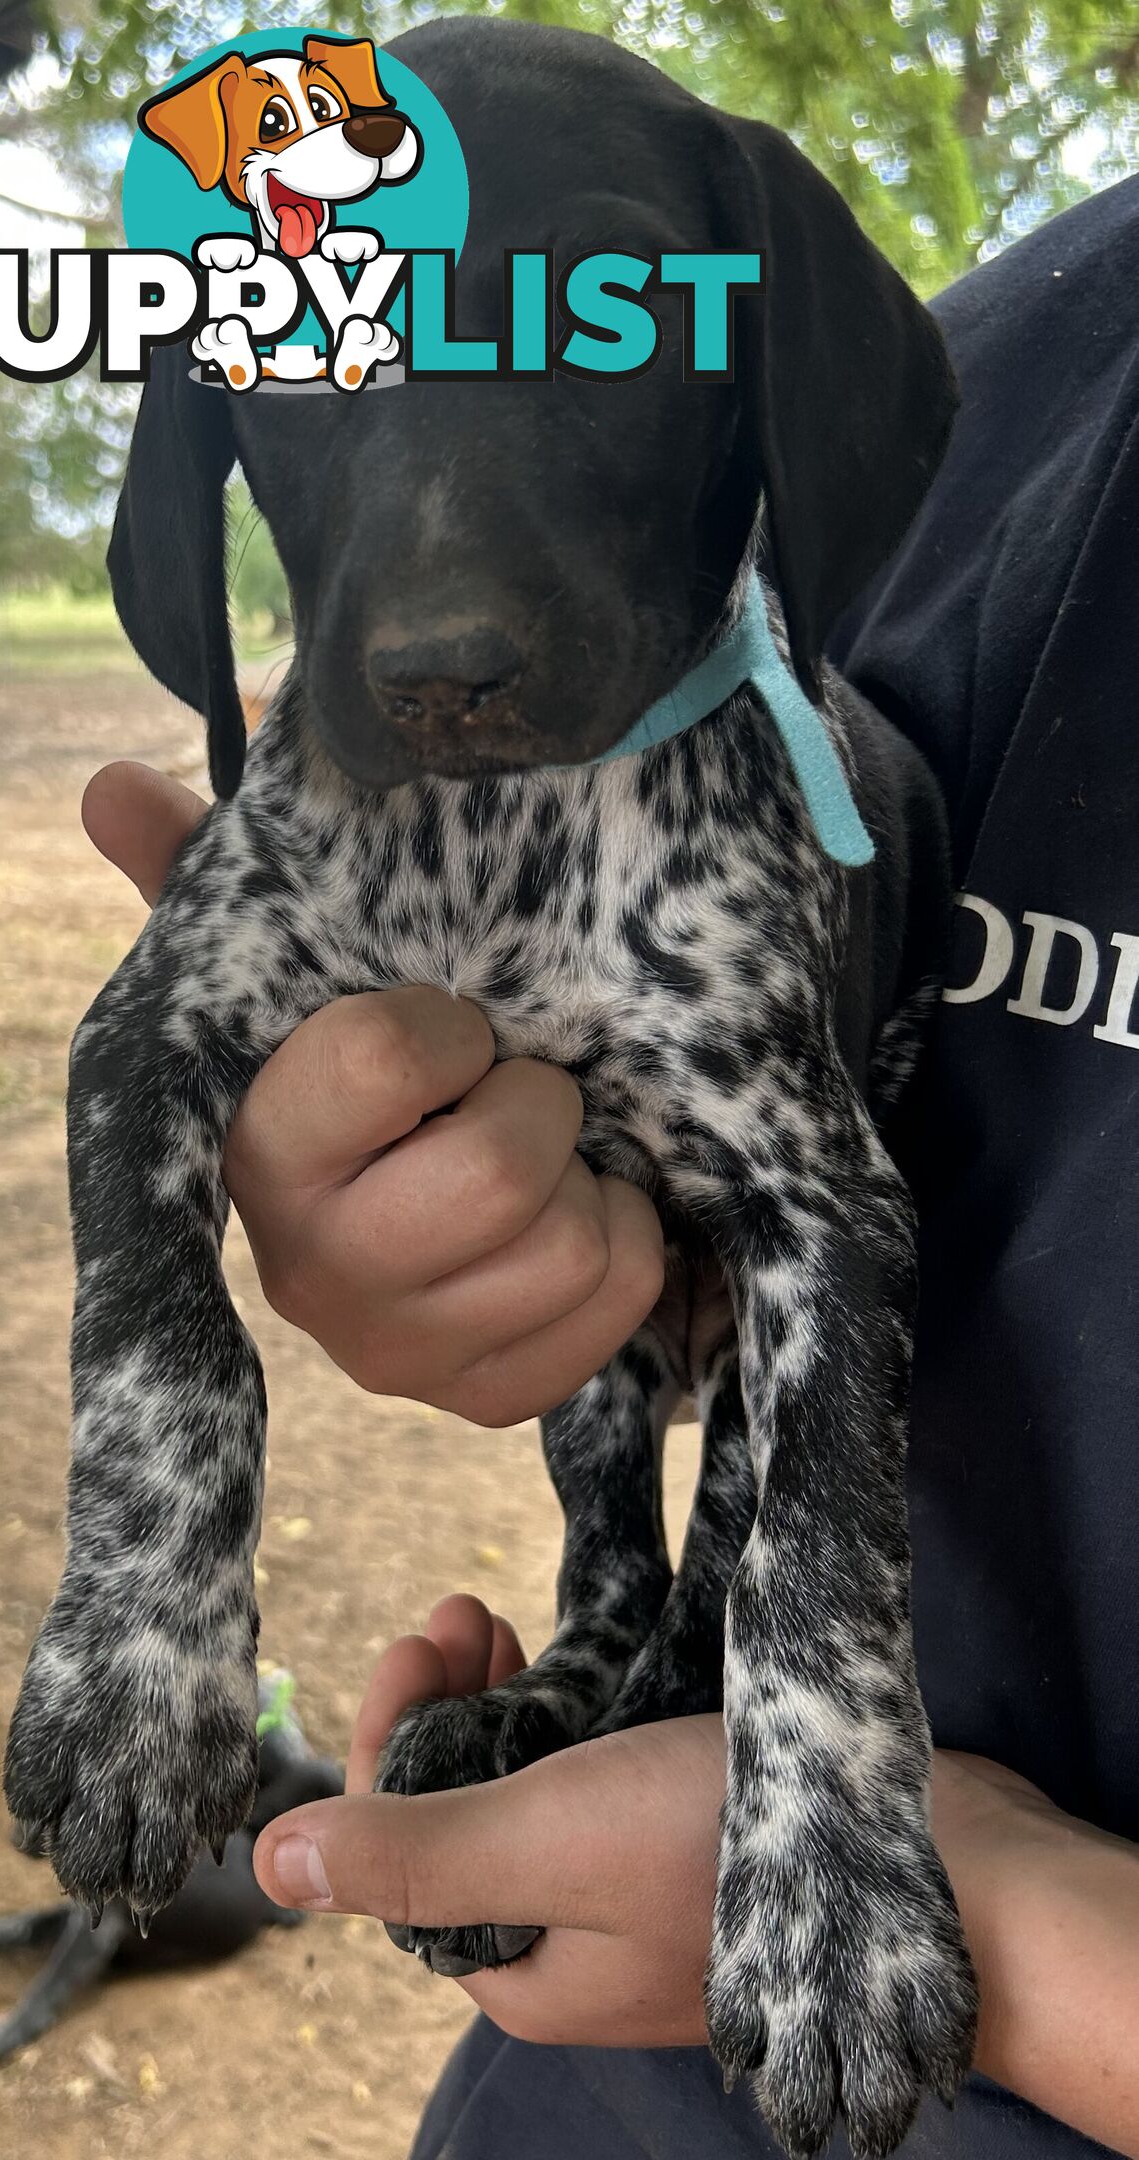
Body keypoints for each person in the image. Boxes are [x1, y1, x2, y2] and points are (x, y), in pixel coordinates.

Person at [83, 168, 1139, 2158]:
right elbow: (767, 1082)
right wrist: (479, 1217)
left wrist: (999, 1912)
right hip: (598, 2101)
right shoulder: (1016, 350)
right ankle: (611, 1620)